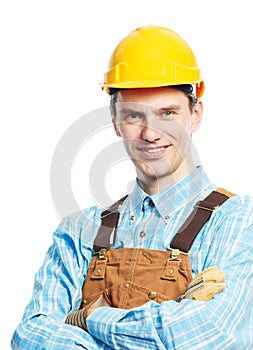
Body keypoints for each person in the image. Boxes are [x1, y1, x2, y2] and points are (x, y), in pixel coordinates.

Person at [11, 25, 253, 350]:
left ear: (195, 115)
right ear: (114, 121)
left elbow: (210, 335)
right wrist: (167, 322)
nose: (151, 134)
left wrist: (89, 318)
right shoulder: (78, 232)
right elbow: (32, 334)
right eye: (133, 116)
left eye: (167, 113)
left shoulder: (239, 221)